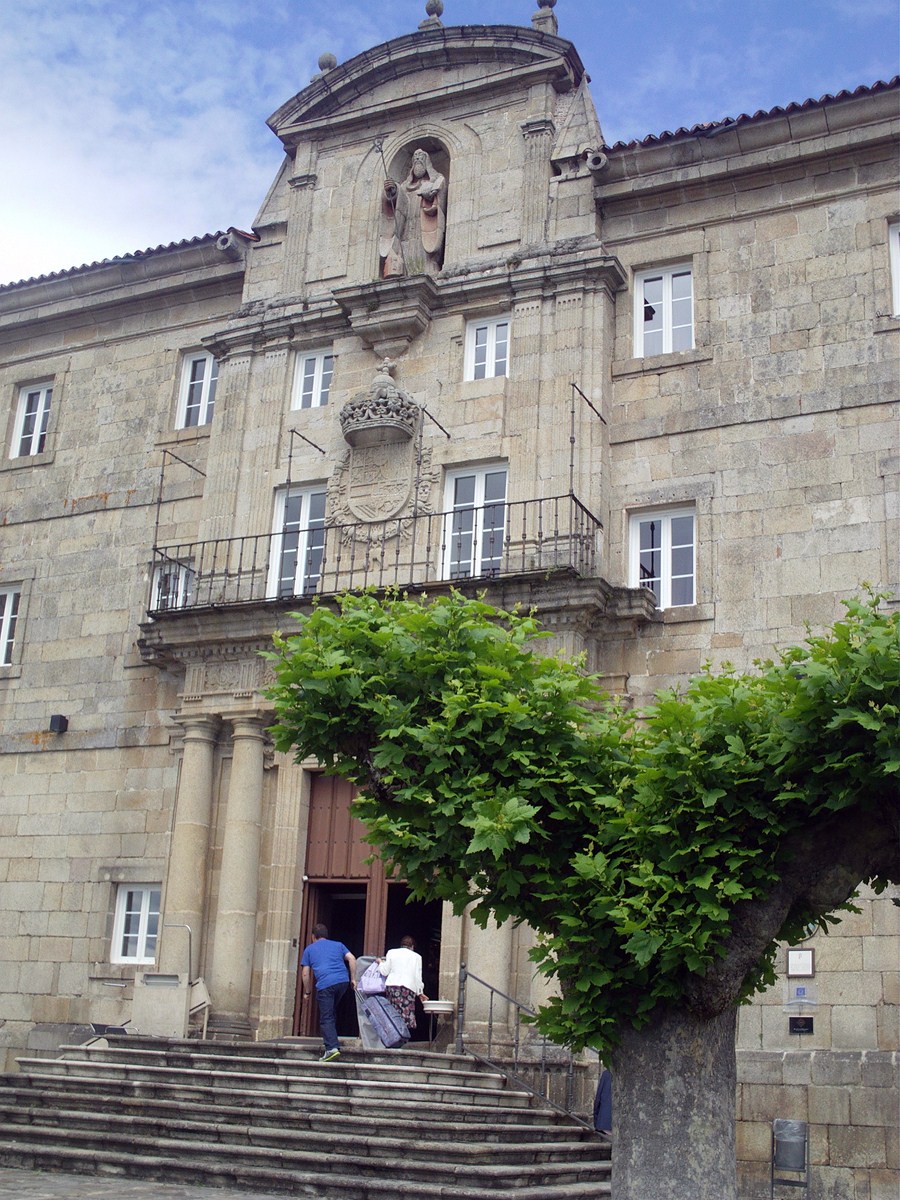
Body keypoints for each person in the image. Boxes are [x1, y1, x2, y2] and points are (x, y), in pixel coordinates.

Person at [300, 923, 357, 1061]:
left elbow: (305, 973)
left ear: (313, 937)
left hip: (325, 984)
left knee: (326, 1017)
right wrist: (353, 979)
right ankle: (332, 1041)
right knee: (330, 1012)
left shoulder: (309, 949)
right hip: (342, 982)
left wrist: (307, 991)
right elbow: (352, 958)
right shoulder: (338, 945)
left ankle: (331, 1048)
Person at [378, 934, 428, 1032]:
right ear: (412, 946)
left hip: (392, 986)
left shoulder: (391, 952)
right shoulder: (417, 957)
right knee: (405, 1014)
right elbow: (417, 977)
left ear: (401, 945)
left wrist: (380, 963)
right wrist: (420, 992)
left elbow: (384, 971)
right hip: (408, 988)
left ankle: (393, 1035)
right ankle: (403, 1035)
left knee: (392, 1013)